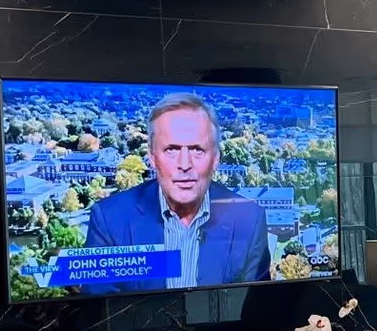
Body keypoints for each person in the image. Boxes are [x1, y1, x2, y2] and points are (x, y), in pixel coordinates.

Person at [82, 91, 271, 291]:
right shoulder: (109, 220)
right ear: (153, 157)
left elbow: (256, 314)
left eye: (197, 150)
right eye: (171, 149)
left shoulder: (249, 220)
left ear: (215, 159)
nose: (184, 164)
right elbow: (102, 317)